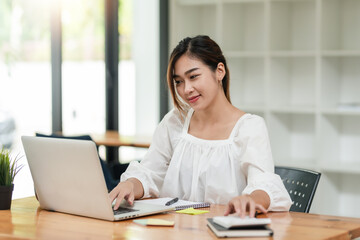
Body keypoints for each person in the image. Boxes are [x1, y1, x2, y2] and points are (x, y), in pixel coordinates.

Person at [109, 35, 292, 217]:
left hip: (223, 231)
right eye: (179, 81)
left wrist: (252, 199)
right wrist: (130, 184)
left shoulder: (249, 127)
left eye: (194, 76)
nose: (186, 89)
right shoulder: (175, 121)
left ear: (219, 71)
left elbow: (263, 184)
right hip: (173, 231)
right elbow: (149, 172)